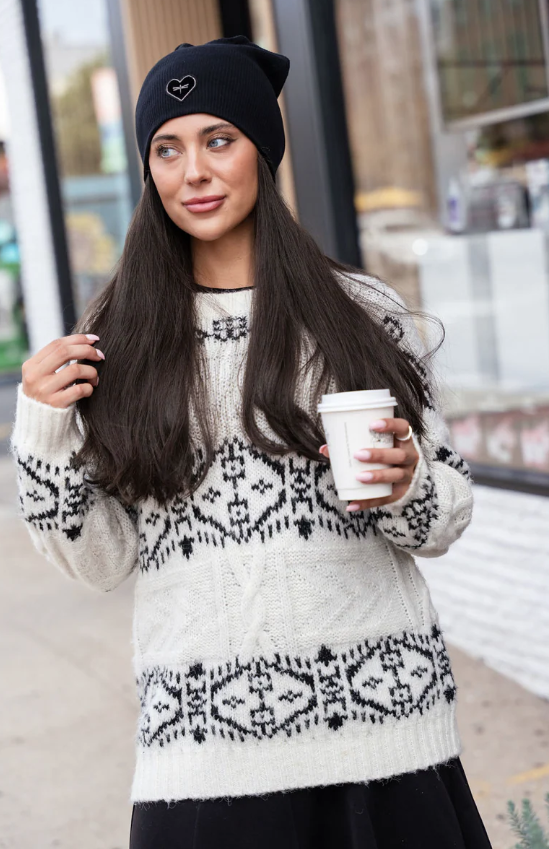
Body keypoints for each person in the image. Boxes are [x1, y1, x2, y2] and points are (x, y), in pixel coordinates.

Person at [10, 36, 492, 849]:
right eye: (166, 149)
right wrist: (43, 428)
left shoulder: (358, 312)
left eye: (217, 140)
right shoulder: (118, 340)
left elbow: (439, 520)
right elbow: (101, 562)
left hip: (385, 739)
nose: (192, 171)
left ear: (260, 154)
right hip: (205, 759)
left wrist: (409, 481)